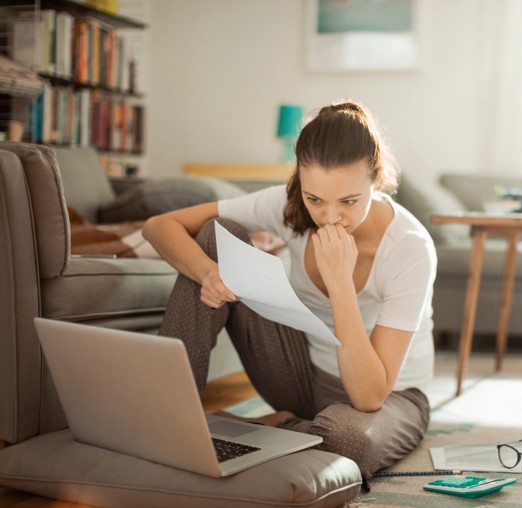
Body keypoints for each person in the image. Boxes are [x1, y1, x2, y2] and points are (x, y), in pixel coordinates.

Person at [142, 100, 437, 478]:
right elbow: (159, 226)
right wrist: (208, 274)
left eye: (349, 201)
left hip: (390, 399)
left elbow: (369, 396)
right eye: (315, 199)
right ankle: (167, 420)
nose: (330, 217)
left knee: (349, 444)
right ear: (301, 181)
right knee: (218, 235)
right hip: (302, 376)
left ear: (376, 181)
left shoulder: (410, 247)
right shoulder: (286, 205)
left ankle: (275, 427)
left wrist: (340, 284)